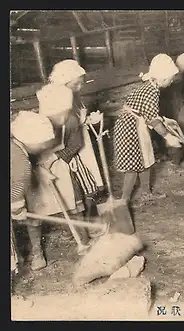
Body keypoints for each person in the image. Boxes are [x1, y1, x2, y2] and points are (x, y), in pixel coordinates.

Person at [113, 53, 182, 206]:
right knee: (133, 165)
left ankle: (146, 193)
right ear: (163, 77)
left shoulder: (151, 87)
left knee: (147, 159)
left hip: (137, 125)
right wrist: (167, 136)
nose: (171, 82)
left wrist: (163, 120)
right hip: (129, 128)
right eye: (171, 78)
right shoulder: (151, 91)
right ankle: (123, 201)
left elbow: (148, 113)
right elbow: (151, 119)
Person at [32, 84, 94, 254]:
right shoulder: (36, 123)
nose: (61, 117)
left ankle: (83, 238)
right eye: (57, 114)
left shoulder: (71, 120)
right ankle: (37, 251)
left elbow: (76, 143)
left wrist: (55, 157)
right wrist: (40, 166)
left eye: (64, 113)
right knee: (36, 207)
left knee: (73, 200)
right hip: (37, 167)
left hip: (61, 162)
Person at [48, 59, 104, 221]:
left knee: (89, 178)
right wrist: (68, 153)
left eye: (81, 84)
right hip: (69, 147)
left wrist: (89, 120)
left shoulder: (74, 98)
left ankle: (92, 215)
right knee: (80, 184)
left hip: (81, 141)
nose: (79, 88)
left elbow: (78, 119)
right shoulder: (57, 103)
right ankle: (87, 218)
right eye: (75, 85)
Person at [11, 111, 56, 272]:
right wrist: (18, 209)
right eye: (42, 143)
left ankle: (33, 253)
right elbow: (16, 190)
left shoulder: (16, 144)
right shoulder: (22, 165)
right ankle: (14, 258)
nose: (45, 146)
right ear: (29, 141)